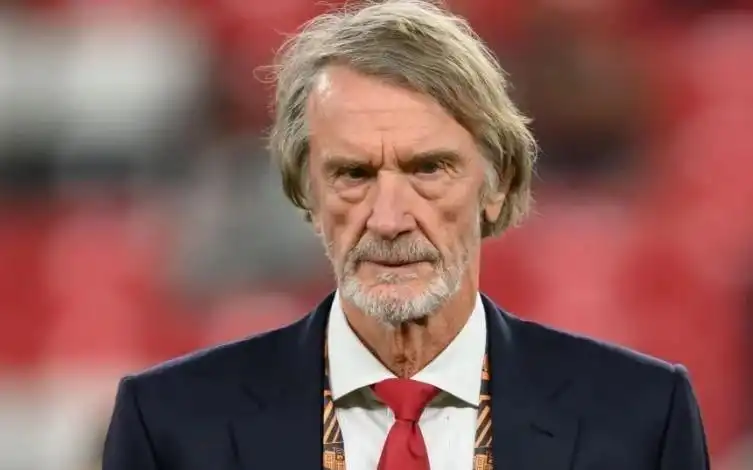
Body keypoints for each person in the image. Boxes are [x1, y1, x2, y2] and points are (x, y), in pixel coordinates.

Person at [102, 1, 709, 469]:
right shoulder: (170, 426)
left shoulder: (641, 417)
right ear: (305, 193)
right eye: (353, 175)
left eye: (428, 170)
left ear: (497, 185)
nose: (389, 219)